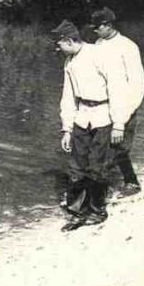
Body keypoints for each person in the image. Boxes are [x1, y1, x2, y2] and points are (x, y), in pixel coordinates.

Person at [53, 20, 126, 232]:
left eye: (59, 43)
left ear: (69, 40)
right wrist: (67, 128)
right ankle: (78, 212)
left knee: (98, 167)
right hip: (81, 117)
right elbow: (67, 97)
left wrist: (119, 124)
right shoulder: (69, 62)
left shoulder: (100, 55)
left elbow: (117, 89)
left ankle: (97, 210)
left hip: (104, 116)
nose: (57, 48)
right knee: (76, 167)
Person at [90, 7, 144, 198]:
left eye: (97, 27)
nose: (94, 30)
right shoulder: (98, 44)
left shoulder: (128, 47)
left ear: (108, 25)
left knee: (118, 149)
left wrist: (123, 116)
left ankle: (129, 185)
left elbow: (137, 84)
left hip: (124, 105)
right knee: (105, 150)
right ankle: (105, 188)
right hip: (105, 106)